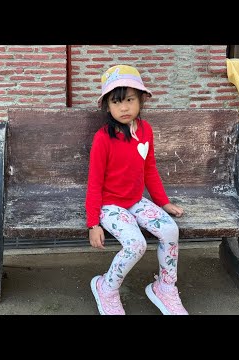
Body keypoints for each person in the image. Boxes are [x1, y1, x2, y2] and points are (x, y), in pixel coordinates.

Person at [86, 64, 188, 315]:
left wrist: (163, 202)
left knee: (169, 229)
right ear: (107, 106)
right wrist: (93, 224)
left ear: (141, 100)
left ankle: (165, 287)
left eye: (130, 100)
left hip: (135, 200)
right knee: (136, 244)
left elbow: (150, 170)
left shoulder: (145, 131)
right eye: (116, 101)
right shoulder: (103, 138)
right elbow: (94, 182)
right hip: (110, 206)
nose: (124, 107)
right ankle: (106, 287)